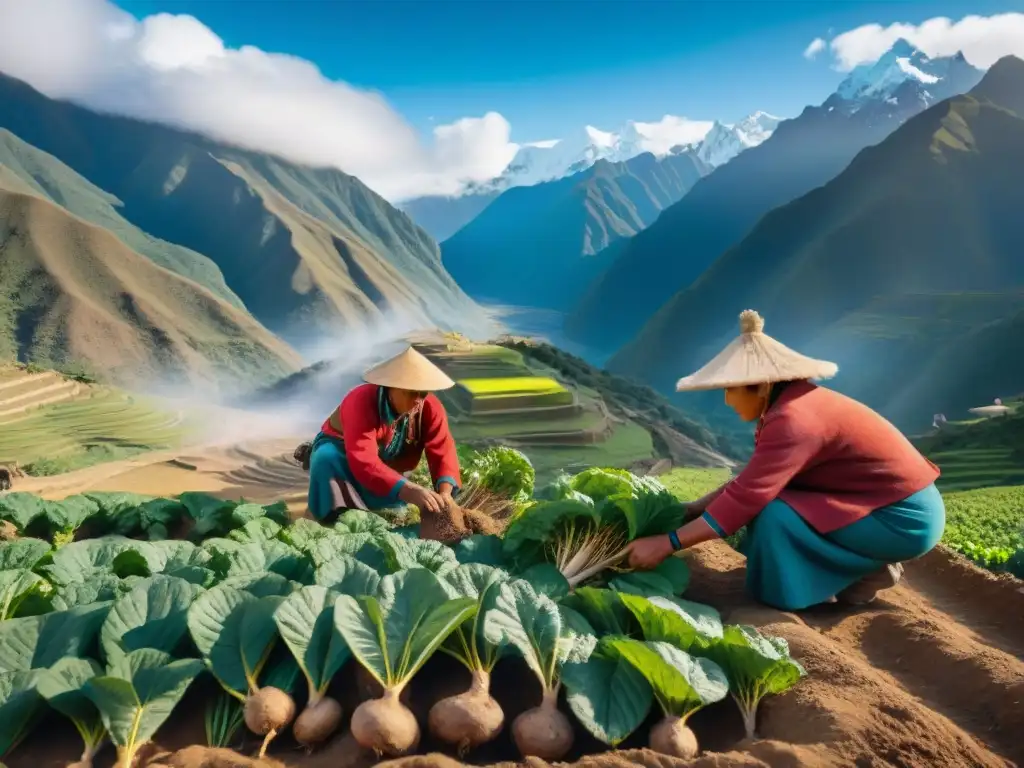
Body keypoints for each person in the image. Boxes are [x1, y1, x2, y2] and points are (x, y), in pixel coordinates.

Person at [625, 310, 946, 611]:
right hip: (889, 509)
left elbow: (748, 497)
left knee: (773, 515)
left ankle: (826, 584)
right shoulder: (791, 407)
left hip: (902, 520)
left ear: (762, 386)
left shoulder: (793, 420)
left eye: (732, 390)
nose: (727, 399)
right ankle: (861, 574)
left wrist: (666, 543)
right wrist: (696, 507)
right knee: (770, 502)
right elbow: (755, 480)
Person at [305, 346, 463, 538]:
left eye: (423, 394)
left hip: (384, 463)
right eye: (412, 393)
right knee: (325, 458)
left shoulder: (430, 408)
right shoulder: (360, 401)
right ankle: (329, 519)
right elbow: (364, 460)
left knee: (394, 507)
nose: (418, 401)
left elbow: (442, 450)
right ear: (392, 387)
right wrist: (410, 490)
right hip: (344, 452)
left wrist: (445, 493)